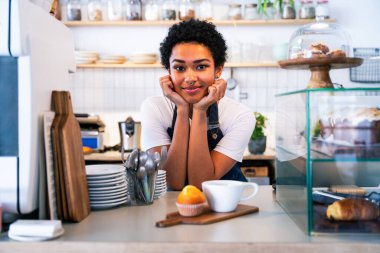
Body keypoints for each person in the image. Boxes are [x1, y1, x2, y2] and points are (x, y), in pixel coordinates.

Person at [141, 19, 255, 190]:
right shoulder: (154, 108)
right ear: (168, 72)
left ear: (218, 70)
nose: (190, 78)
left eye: (201, 66)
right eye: (179, 68)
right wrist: (181, 109)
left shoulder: (239, 116)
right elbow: (172, 182)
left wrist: (200, 110)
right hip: (173, 208)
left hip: (227, 207)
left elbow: (201, 183)